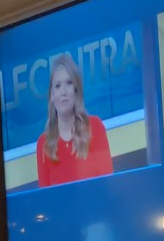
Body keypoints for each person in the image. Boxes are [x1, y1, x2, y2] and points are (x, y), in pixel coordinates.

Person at [34, 54, 114, 187]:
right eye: (58, 86)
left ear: (76, 90)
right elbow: (45, 197)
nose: (63, 92)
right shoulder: (43, 144)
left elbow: (107, 184)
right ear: (52, 95)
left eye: (69, 83)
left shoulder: (95, 127)